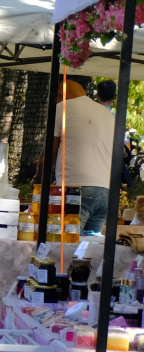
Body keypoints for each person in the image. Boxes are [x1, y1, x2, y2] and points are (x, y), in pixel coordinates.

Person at [55, 76, 115, 236]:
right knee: (89, 247)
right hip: (105, 191)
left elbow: (49, 152)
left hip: (77, 189)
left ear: (61, 95)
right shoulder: (108, 114)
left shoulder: (62, 107)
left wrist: (38, 178)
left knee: (67, 241)